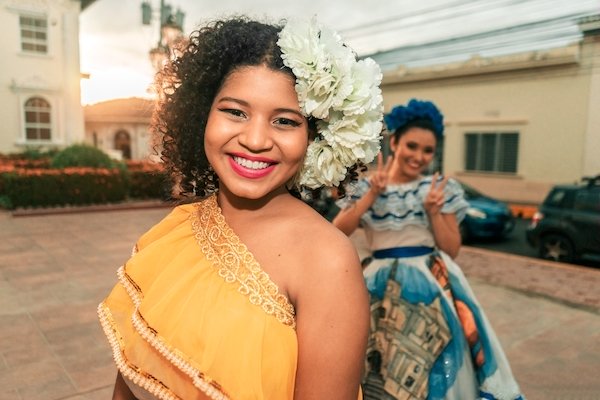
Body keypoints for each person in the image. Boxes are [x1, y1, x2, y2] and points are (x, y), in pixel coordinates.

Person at [97, 16, 386, 400]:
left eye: (285, 121)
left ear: (314, 138)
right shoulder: (178, 227)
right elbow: (131, 379)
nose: (254, 139)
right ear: (202, 115)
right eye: (235, 112)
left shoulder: (328, 261)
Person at [333, 99, 525, 400]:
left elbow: (452, 248)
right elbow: (338, 232)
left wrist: (434, 212)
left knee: (434, 366)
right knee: (374, 364)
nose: (419, 156)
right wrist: (372, 195)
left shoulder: (439, 190)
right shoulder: (366, 186)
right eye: (412, 146)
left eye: (428, 150)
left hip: (432, 285)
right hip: (376, 287)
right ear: (394, 142)